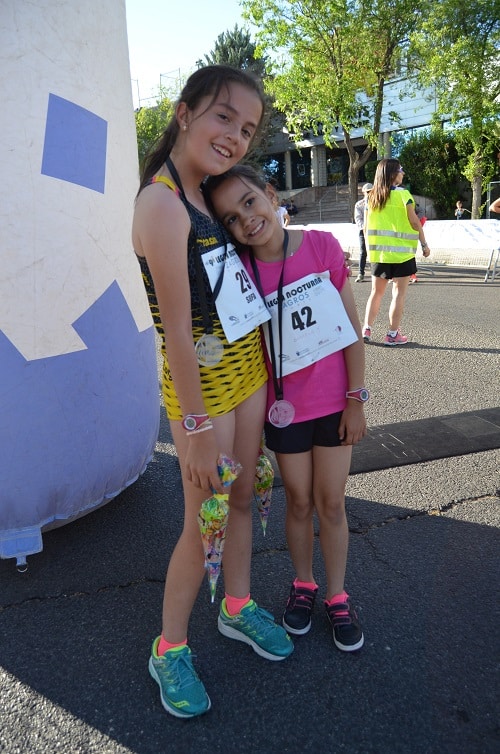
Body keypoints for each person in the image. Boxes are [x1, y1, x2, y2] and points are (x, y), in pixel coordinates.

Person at [132, 65, 293, 720]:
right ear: (184, 113)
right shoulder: (162, 203)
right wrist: (194, 428)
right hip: (203, 391)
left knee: (244, 495)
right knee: (206, 523)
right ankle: (169, 648)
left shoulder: (209, 194)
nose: (235, 136)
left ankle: (236, 605)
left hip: (247, 371)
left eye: (247, 129)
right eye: (224, 116)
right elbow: (173, 330)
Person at [205, 164, 367, 653]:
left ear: (271, 195)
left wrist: (356, 399)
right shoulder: (238, 272)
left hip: (335, 405)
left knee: (331, 502)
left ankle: (337, 595)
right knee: (298, 501)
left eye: (249, 202)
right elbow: (231, 342)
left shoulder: (322, 247)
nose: (246, 220)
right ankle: (304, 584)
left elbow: (352, 330)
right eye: (232, 219)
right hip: (284, 410)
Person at [361, 159, 431, 346]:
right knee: (398, 294)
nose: (403, 173)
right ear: (392, 174)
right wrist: (424, 244)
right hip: (402, 254)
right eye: (401, 170)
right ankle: (392, 335)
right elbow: (415, 222)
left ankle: (366, 329)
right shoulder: (403, 195)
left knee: (376, 293)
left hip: (379, 254)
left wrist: (369, 250)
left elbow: (366, 227)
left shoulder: (370, 197)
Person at [353, 182, 372, 282]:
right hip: (363, 231)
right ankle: (361, 273)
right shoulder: (359, 204)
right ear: (363, 192)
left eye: (371, 191)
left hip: (375, 231)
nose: (369, 193)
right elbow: (358, 219)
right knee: (363, 252)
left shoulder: (377, 203)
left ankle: (378, 273)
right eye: (367, 192)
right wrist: (364, 228)